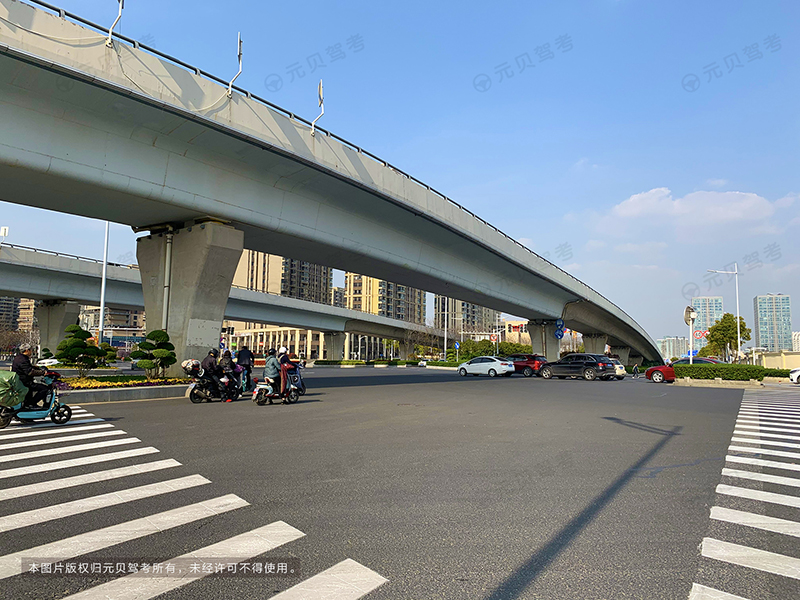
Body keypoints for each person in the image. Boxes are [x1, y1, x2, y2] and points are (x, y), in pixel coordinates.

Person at [11, 344, 48, 408]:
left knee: (31, 391)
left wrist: (38, 368)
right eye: (31, 350)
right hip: (24, 383)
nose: (32, 352)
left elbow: (29, 367)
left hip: (21, 382)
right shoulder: (23, 360)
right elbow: (30, 372)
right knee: (44, 389)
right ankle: (32, 404)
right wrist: (42, 372)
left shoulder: (19, 358)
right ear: (27, 350)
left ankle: (28, 404)